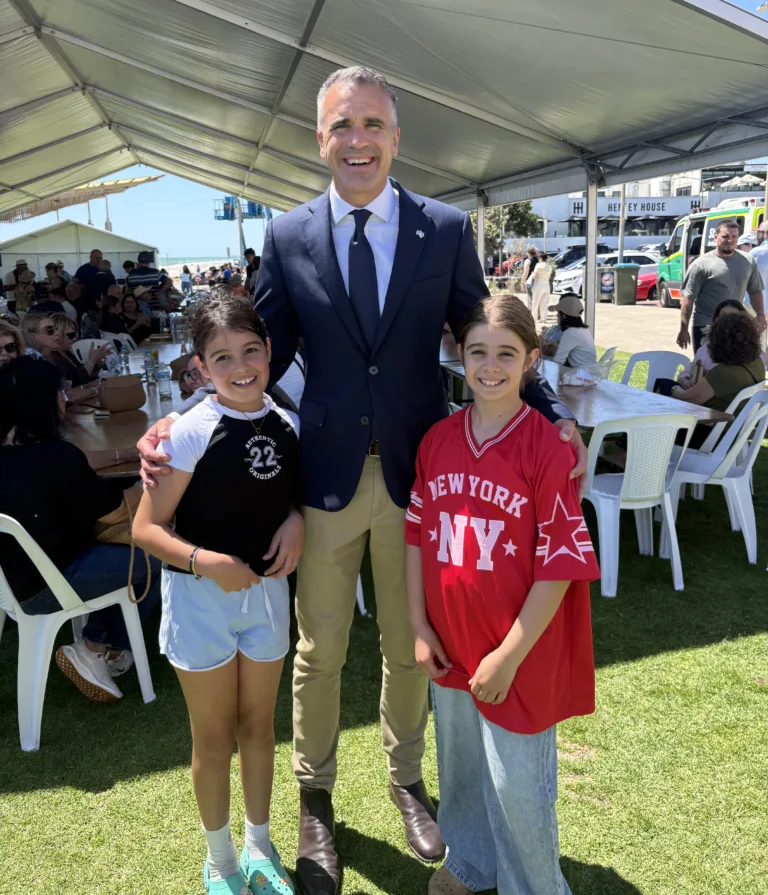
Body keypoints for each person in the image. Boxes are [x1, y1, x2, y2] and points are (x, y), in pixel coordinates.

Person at [137, 66, 586, 893]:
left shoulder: (445, 228)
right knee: (320, 647)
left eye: (373, 124)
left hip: (426, 479)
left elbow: (488, 327)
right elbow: (254, 348)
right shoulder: (289, 236)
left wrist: (549, 403)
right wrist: (182, 414)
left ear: (395, 137)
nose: (358, 140)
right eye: (342, 125)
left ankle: (408, 779)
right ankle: (315, 798)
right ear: (320, 139)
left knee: (415, 645)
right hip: (325, 480)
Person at [405, 295, 599, 895]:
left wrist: (509, 654)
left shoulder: (548, 447)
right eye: (478, 352)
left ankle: (535, 885)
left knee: (517, 783)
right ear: (459, 355)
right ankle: (470, 862)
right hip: (451, 639)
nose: (490, 366)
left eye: (507, 354)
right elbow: (416, 537)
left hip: (520, 649)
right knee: (460, 766)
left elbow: (561, 564)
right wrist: (419, 625)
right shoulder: (437, 440)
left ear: (531, 360)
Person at [133, 293, 303, 895]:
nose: (240, 367)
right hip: (200, 601)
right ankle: (221, 858)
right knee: (213, 736)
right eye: (222, 357)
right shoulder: (188, 429)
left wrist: (296, 519)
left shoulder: (289, 423)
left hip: (267, 598)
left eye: (250, 350)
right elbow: (146, 529)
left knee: (259, 728)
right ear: (201, 366)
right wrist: (208, 564)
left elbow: (281, 495)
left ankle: (260, 846)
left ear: (270, 351)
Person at [0, 357, 160, 702]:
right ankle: (97, 645)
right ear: (46, 401)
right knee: (157, 556)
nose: (65, 398)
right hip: (55, 582)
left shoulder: (25, 454)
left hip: (13, 586)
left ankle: (110, 649)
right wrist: (156, 482)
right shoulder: (56, 457)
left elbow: (74, 463)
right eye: (60, 391)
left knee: (115, 558)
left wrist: (127, 455)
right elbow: (117, 511)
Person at [678, 221, 765, 352]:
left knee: (732, 366)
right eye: (725, 236)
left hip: (735, 325)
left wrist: (760, 315)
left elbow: (755, 291)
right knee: (704, 367)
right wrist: (683, 329)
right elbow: (687, 300)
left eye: (734, 237)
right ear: (716, 237)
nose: (730, 240)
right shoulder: (701, 265)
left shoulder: (748, 261)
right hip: (706, 326)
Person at [670, 310, 765, 414]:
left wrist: (675, 389)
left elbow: (688, 399)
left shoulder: (724, 373)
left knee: (666, 386)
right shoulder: (757, 363)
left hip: (718, 427)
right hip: (744, 426)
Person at [549, 294, 597, 368]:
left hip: (580, 376)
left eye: (558, 313)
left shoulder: (571, 332)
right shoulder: (583, 330)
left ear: (563, 315)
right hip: (588, 373)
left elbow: (558, 361)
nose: (557, 316)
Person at [530, 251, 553, 322]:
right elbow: (549, 276)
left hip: (538, 284)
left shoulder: (538, 265)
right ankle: (543, 318)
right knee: (545, 302)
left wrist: (532, 274)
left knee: (535, 302)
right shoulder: (549, 266)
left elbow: (535, 276)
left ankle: (534, 318)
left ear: (540, 258)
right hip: (546, 284)